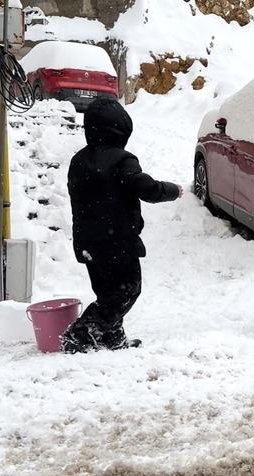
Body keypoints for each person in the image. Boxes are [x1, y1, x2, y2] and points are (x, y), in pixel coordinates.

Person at [62, 98, 182, 353]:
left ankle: (111, 337)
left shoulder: (78, 160)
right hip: (116, 241)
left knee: (107, 293)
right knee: (128, 290)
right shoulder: (122, 160)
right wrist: (174, 190)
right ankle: (82, 332)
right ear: (121, 129)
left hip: (88, 242)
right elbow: (146, 188)